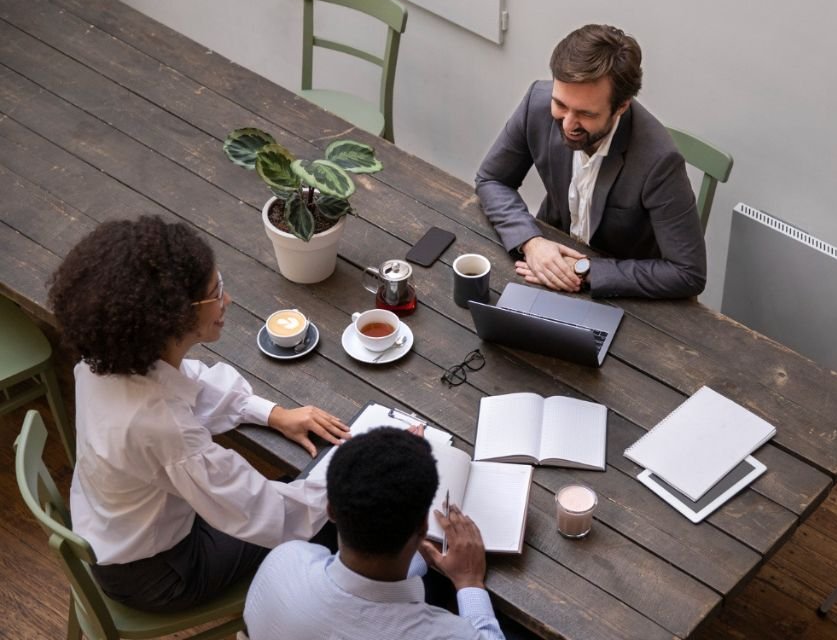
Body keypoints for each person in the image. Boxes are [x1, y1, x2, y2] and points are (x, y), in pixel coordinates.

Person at [46, 216, 351, 612]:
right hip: (161, 574)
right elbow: (268, 513)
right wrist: (353, 468)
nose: (228, 300)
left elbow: (196, 386)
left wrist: (273, 414)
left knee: (302, 494)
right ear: (175, 316)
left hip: (110, 530)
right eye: (216, 292)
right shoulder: (162, 426)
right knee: (328, 520)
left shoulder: (99, 365)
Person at [475, 23, 707, 299]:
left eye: (586, 114)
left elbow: (688, 273)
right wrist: (531, 242)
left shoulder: (660, 161)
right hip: (548, 257)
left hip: (622, 289)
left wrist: (585, 270)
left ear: (621, 106)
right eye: (561, 105)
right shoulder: (536, 103)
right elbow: (492, 179)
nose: (567, 125)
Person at [244, 428, 505, 640]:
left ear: (331, 510)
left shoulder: (284, 559)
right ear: (424, 526)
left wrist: (418, 556)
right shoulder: (444, 634)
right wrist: (469, 582)